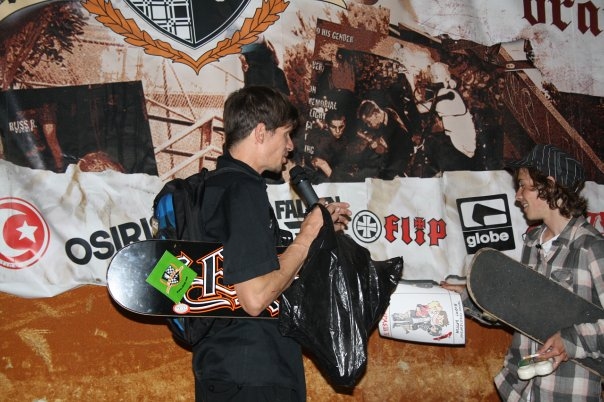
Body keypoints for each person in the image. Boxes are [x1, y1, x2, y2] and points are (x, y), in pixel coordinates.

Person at [191, 86, 351, 402]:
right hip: (254, 376)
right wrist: (306, 237)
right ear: (261, 133)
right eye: (287, 135)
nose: (291, 146)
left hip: (226, 369)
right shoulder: (243, 190)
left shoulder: (217, 187)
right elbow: (255, 297)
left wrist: (314, 236)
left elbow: (248, 275)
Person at [443, 144, 604, 400]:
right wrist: (471, 295)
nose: (518, 196)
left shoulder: (590, 247)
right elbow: (518, 312)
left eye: (523, 185)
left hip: (566, 391)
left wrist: (571, 340)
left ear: (549, 185)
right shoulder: (532, 243)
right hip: (522, 391)